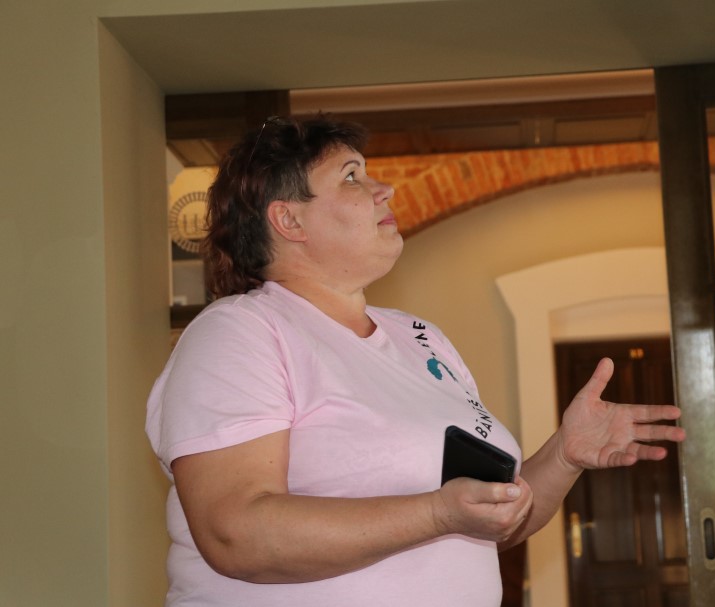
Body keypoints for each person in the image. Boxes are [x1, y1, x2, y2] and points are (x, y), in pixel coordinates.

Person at [146, 115, 686, 606]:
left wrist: (564, 455)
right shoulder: (239, 332)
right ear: (289, 220)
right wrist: (437, 512)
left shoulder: (420, 337)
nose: (385, 189)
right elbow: (235, 535)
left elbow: (489, 522)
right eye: (352, 177)